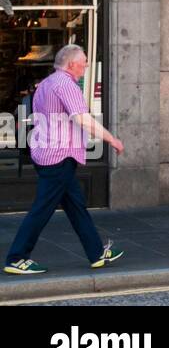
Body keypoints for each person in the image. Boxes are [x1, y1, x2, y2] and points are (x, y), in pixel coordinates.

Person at [4, 45, 125, 276]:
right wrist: (112, 139)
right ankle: (17, 258)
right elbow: (84, 120)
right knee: (42, 209)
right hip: (57, 157)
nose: (87, 65)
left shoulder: (48, 83)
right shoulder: (66, 84)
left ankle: (96, 252)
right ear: (71, 65)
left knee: (75, 205)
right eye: (84, 61)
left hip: (48, 153)